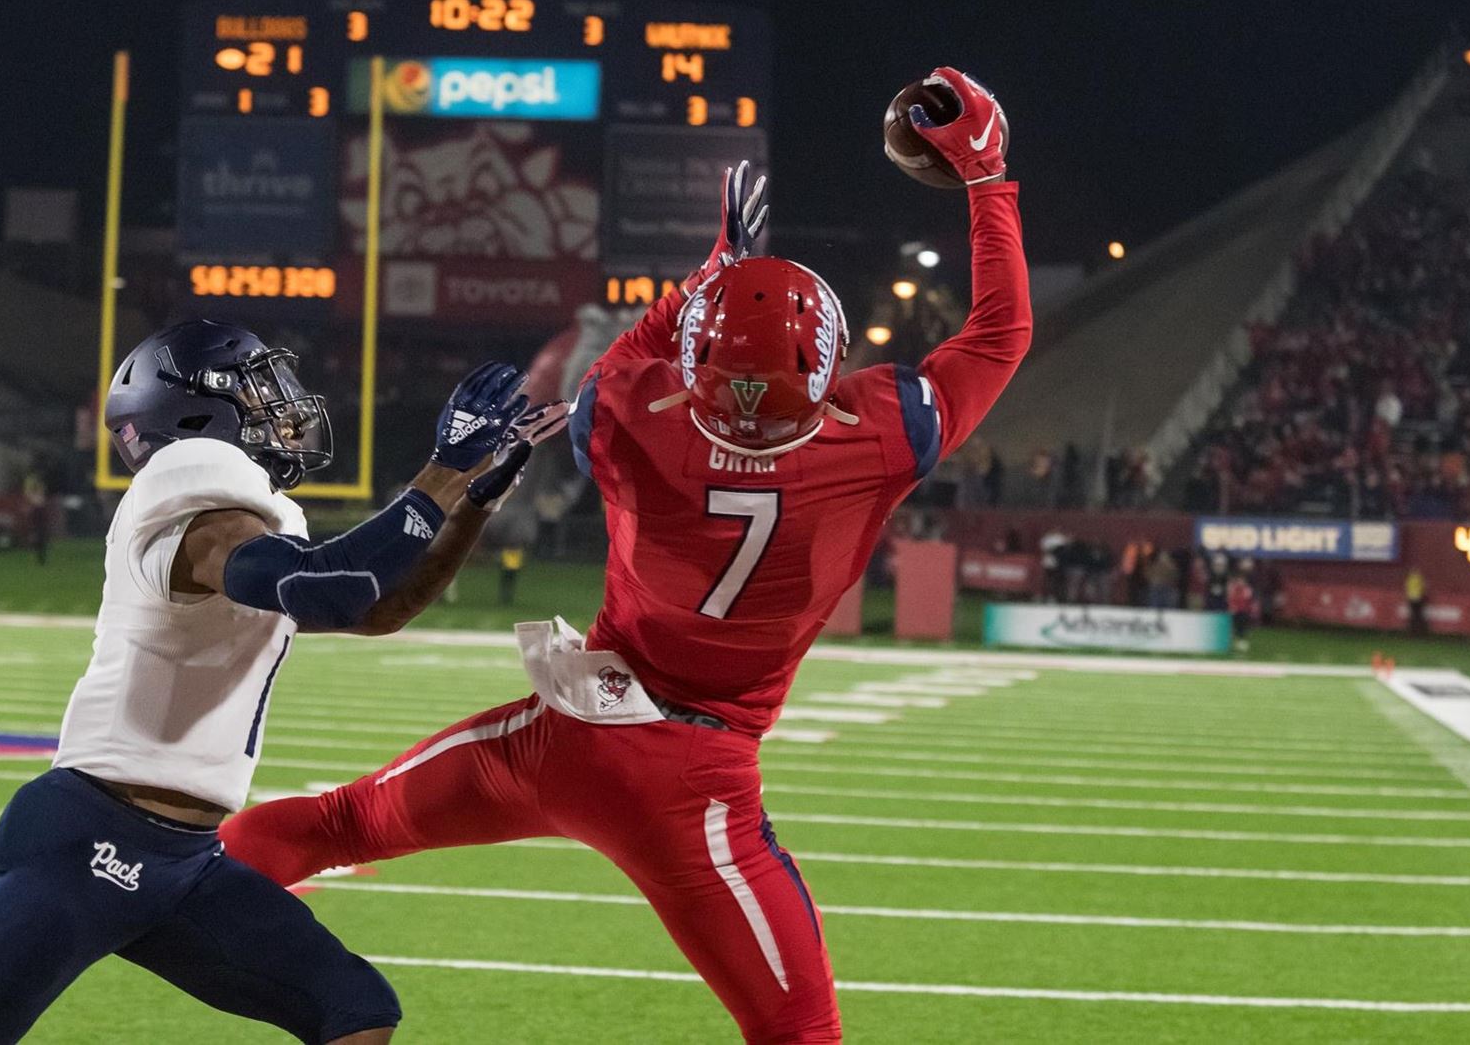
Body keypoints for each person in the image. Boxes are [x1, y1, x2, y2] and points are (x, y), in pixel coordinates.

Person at [221, 66, 1030, 1044]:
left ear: (696, 365)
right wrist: (988, 180)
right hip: (698, 774)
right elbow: (999, 333)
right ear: (830, 366)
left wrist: (711, 265)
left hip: (574, 723)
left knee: (338, 824)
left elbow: (624, 362)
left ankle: (170, 904)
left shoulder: (627, 420)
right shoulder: (881, 431)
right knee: (800, 1031)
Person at [0, 320, 566, 1045]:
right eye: (258, 387)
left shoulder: (245, 521)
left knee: (355, 1009)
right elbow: (331, 587)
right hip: (90, 839)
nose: (284, 405)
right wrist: (440, 469)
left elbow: (377, 607)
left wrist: (472, 503)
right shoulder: (190, 507)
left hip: (187, 861)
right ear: (196, 412)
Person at [1405, 567, 1429, 635]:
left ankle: (1412, 630)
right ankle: (1420, 631)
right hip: (1418, 598)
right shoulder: (1419, 578)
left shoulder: (1409, 579)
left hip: (1411, 598)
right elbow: (1423, 588)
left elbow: (1407, 588)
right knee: (1419, 615)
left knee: (1413, 615)